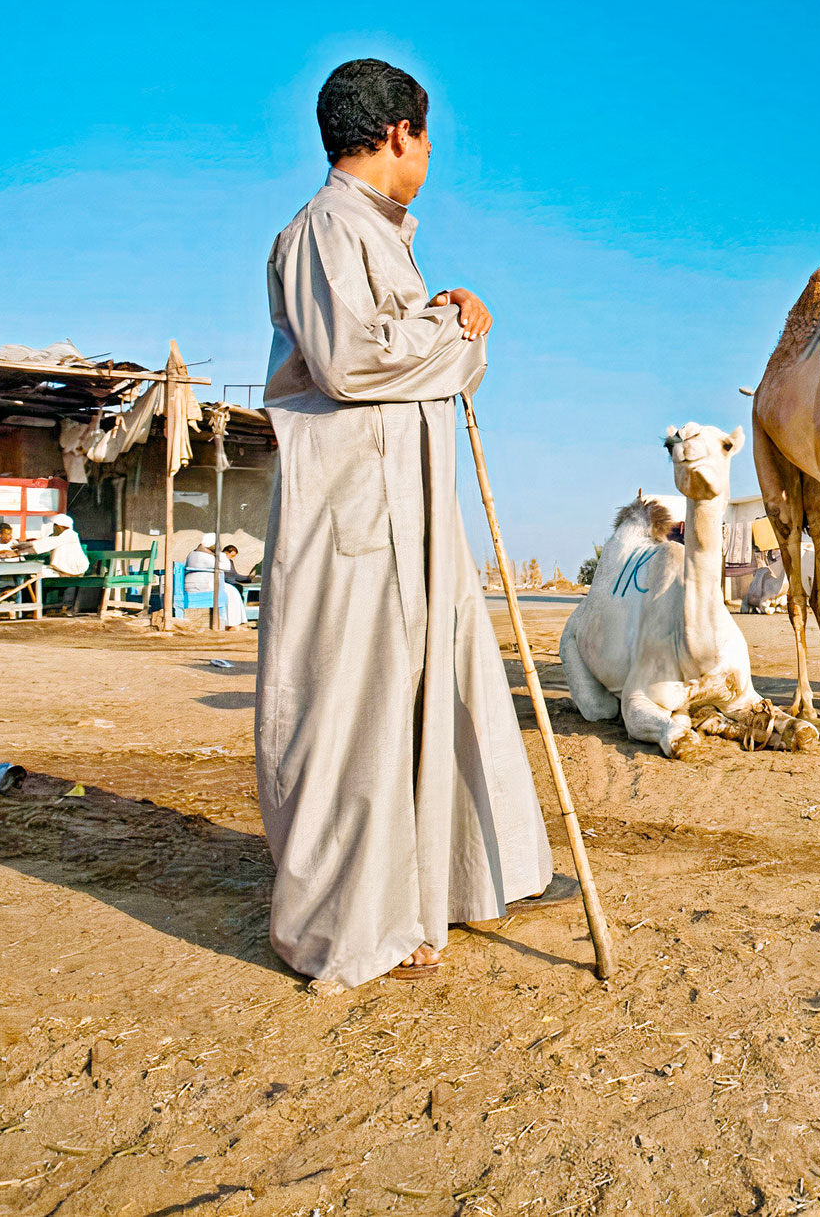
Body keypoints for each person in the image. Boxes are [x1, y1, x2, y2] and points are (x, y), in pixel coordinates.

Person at [255, 58, 556, 990]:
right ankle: (348, 926)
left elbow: (403, 352)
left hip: (409, 513)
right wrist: (454, 331)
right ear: (400, 134)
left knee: (420, 698)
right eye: (428, 139)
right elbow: (351, 362)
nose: (429, 157)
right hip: (353, 516)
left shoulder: (380, 237)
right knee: (353, 712)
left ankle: (427, 894)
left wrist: (444, 312)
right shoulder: (324, 229)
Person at [184, 533, 247, 629]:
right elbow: (226, 566)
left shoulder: (192, 554)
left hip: (192, 584)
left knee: (231, 590)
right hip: (204, 585)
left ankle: (231, 623)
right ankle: (231, 623)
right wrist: (220, 554)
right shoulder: (205, 555)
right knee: (232, 592)